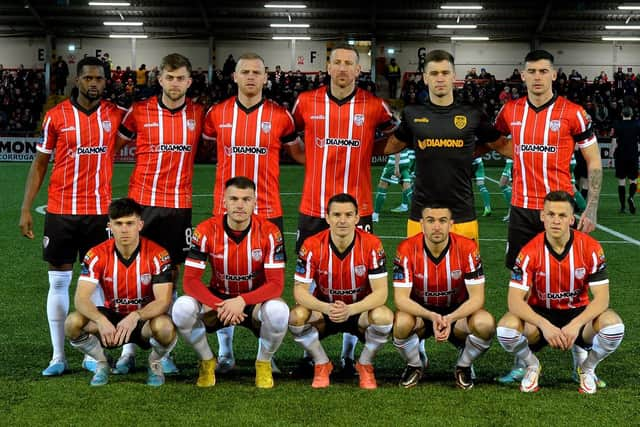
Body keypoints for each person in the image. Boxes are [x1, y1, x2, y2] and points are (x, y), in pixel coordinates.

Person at [290, 45, 395, 373]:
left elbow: (395, 136)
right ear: (328, 67)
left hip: (357, 209)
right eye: (337, 63)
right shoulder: (306, 101)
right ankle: (312, 355)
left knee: (359, 279)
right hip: (313, 207)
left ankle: (350, 353)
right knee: (308, 281)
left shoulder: (374, 105)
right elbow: (289, 137)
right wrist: (311, 163)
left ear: (358, 70)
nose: (343, 69)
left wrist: (368, 153)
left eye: (349, 63)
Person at [19, 56, 126, 376]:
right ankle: (57, 356)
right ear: (77, 81)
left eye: (99, 78)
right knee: (59, 282)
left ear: (106, 82)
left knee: (95, 286)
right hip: (62, 212)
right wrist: (27, 207)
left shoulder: (115, 115)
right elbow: (39, 165)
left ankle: (91, 353)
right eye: (88, 78)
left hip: (98, 214)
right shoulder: (56, 117)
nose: (94, 83)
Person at [202, 52, 297, 373]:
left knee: (267, 282)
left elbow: (298, 152)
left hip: (269, 211)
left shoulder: (281, 116)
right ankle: (225, 352)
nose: (251, 77)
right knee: (222, 279)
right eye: (246, 72)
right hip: (223, 210)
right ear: (235, 77)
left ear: (266, 77)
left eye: (258, 72)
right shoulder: (217, 113)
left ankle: (263, 357)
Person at [117, 53, 204, 374]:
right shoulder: (138, 111)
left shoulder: (198, 113)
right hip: (142, 205)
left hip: (178, 208)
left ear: (189, 81)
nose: (175, 83)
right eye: (170, 77)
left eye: (181, 78)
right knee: (134, 279)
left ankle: (163, 352)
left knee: (171, 280)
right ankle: (126, 350)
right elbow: (111, 145)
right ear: (160, 79)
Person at [496, 191, 624, 394]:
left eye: (562, 215)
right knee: (506, 328)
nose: (556, 220)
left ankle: (587, 368)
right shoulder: (528, 251)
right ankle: (532, 365)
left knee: (614, 326)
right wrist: (544, 325)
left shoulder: (590, 247)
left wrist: (575, 324)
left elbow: (602, 298)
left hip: (578, 314)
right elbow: (514, 302)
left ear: (572, 219)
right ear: (542, 216)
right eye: (551, 214)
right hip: (540, 316)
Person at [171, 177, 288, 388]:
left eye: (246, 199)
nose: (240, 205)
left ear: (255, 202)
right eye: (234, 198)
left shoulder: (270, 232)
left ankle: (263, 363)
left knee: (279, 311)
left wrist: (242, 300)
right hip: (219, 298)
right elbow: (189, 281)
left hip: (254, 301)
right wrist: (220, 304)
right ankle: (207, 361)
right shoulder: (206, 230)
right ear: (224, 201)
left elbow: (276, 284)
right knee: (181, 308)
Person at [382, 49, 509, 241]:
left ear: (453, 77)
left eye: (445, 73)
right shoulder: (412, 114)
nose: (439, 78)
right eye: (434, 74)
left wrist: (471, 152)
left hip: (462, 214)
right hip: (422, 214)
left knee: (467, 271)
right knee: (418, 271)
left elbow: (500, 145)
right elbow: (390, 147)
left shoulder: (472, 113)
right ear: (425, 78)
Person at [64, 198, 176, 386]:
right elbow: (81, 298)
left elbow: (163, 301)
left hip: (143, 320)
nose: (124, 229)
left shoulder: (158, 255)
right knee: (72, 323)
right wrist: (100, 320)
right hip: (112, 318)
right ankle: (101, 362)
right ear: (110, 226)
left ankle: (154, 362)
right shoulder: (96, 254)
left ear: (140, 224)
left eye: (130, 223)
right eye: (119, 224)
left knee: (165, 328)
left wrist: (136, 316)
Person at [288, 193, 393, 389]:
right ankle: (321, 363)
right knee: (296, 316)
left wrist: (350, 310)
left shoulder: (372, 245)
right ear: (327, 218)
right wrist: (326, 308)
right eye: (336, 215)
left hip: (358, 311)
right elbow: (300, 292)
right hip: (325, 310)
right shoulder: (311, 245)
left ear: (357, 217)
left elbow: (381, 293)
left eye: (348, 214)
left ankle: (364, 364)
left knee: (384, 317)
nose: (342, 220)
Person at [392, 204, 494, 390]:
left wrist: (450, 318)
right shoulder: (406, 249)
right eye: (430, 221)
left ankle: (463, 366)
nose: (436, 226)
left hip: (457, 313)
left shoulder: (468, 248)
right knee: (401, 323)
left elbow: (477, 298)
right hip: (421, 314)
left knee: (485, 324)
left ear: (451, 224)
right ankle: (415, 364)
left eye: (442, 221)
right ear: (422, 224)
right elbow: (401, 299)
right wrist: (431, 316)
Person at [373, 148, 415, 222]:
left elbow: (397, 149)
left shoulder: (395, 136)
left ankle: (375, 215)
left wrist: (396, 167)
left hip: (394, 163)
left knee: (382, 185)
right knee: (407, 187)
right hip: (406, 161)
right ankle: (419, 214)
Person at [610, 106, 639, 213]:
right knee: (633, 180)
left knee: (621, 182)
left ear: (622, 114)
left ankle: (622, 207)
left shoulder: (617, 124)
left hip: (620, 155)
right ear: (631, 114)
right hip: (633, 155)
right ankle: (631, 197)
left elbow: (614, 141)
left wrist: (611, 154)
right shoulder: (637, 124)